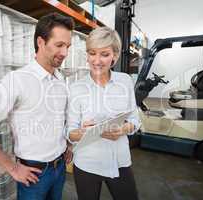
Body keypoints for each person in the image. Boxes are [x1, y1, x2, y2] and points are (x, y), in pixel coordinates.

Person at [0, 13, 75, 200]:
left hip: (60, 168)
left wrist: (68, 146)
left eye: (68, 46)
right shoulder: (17, 81)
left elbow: (59, 118)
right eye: (59, 45)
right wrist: (12, 167)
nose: (65, 53)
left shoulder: (60, 79)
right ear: (40, 42)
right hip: (35, 174)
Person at [67, 27, 141, 200]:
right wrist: (82, 133)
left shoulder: (125, 81)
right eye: (92, 53)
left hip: (119, 161)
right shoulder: (76, 88)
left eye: (104, 54)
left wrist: (122, 130)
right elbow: (69, 131)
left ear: (114, 56)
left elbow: (134, 120)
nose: (97, 60)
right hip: (87, 164)